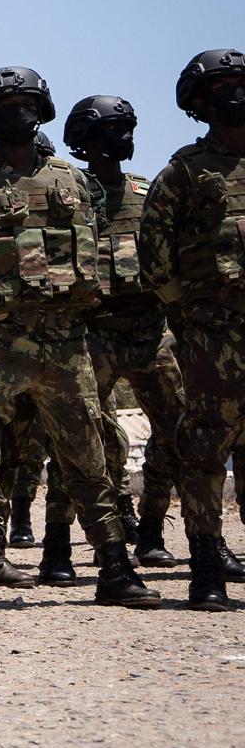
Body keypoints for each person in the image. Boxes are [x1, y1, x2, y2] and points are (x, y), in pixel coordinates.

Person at [0, 67, 157, 610]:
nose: (18, 110)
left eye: (27, 100)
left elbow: (96, 254)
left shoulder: (73, 182)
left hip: (65, 345)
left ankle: (116, 570)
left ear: (44, 108)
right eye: (5, 103)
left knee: (87, 457)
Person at [56, 95, 187, 578]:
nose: (124, 138)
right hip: (94, 335)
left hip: (153, 333)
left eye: (128, 128)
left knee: (177, 434)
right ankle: (76, 542)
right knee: (84, 442)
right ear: (85, 142)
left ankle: (151, 530)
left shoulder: (149, 191)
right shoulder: (69, 194)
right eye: (112, 130)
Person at [138, 48, 245, 610]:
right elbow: (154, 261)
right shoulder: (182, 173)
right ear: (199, 102)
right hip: (212, 338)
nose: (235, 93)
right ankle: (206, 564)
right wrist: (194, 316)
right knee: (205, 448)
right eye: (222, 86)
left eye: (241, 83)